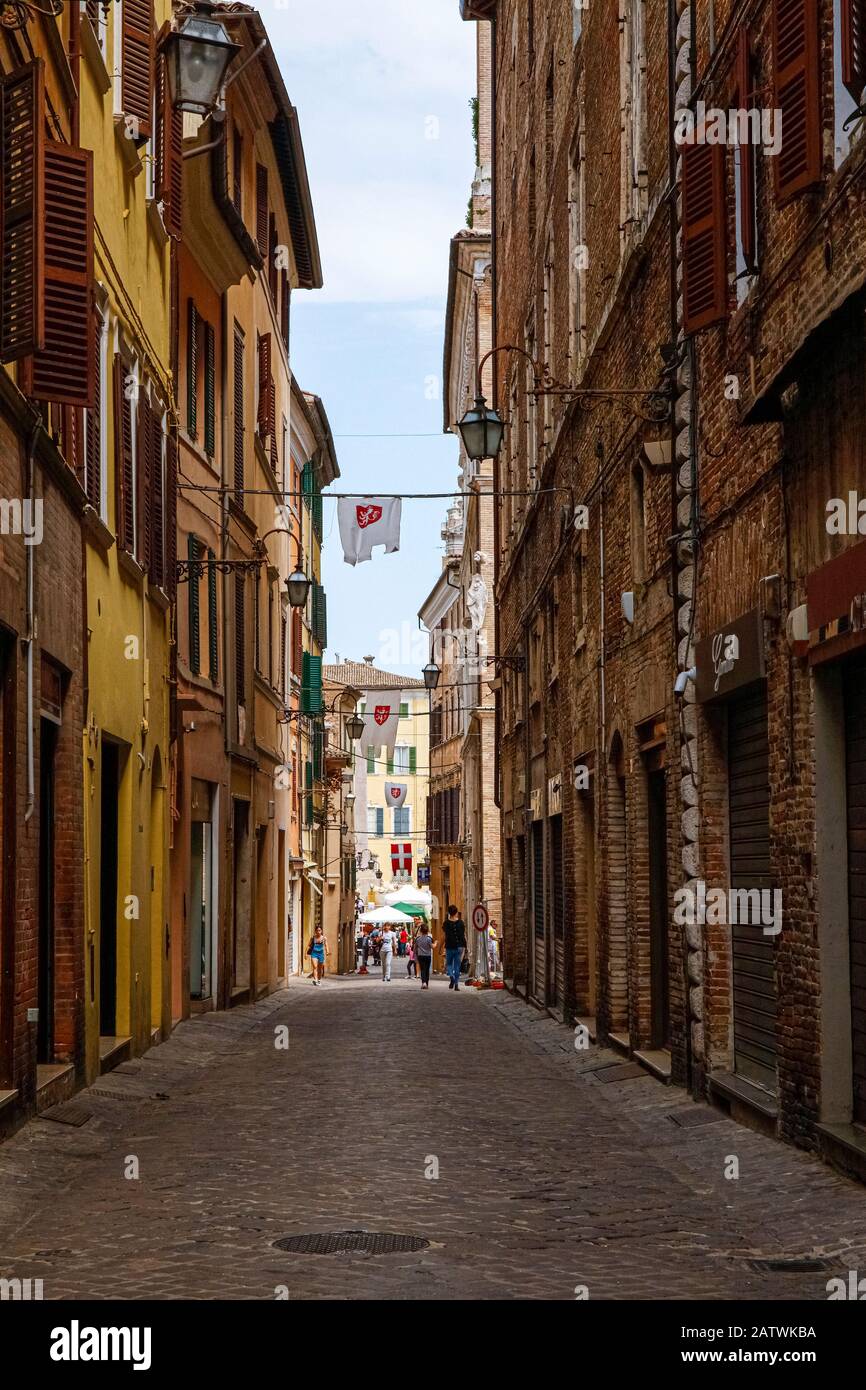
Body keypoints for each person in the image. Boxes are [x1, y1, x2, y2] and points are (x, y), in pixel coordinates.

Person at [444, 905, 467, 992]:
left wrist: (440, 948)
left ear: (449, 913)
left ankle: (452, 977)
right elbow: (463, 935)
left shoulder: (446, 923)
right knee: (457, 966)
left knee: (449, 964)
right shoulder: (461, 923)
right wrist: (465, 946)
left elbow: (444, 936)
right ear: (456, 912)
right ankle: (456, 984)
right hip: (460, 946)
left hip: (449, 946)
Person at [415, 924, 434, 989]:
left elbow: (415, 948)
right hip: (428, 956)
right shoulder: (429, 938)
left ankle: (423, 983)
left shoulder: (418, 939)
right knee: (427, 970)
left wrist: (415, 955)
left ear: (420, 930)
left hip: (420, 956)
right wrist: (436, 943)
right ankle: (427, 983)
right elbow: (432, 947)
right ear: (428, 930)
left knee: (422, 969)